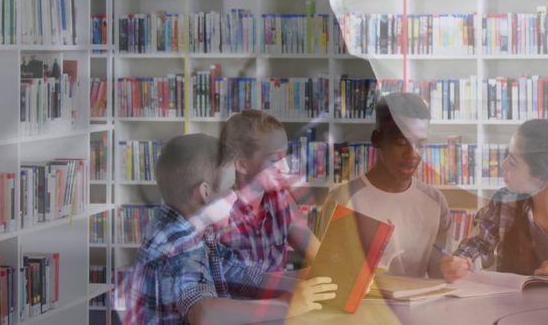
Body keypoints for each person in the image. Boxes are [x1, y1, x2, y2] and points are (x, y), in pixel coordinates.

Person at [123, 133, 336, 325]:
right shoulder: (178, 241)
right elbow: (203, 315)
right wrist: (286, 306)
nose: (235, 197)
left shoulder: (188, 227)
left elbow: (238, 273)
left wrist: (306, 279)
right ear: (205, 192)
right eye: (229, 188)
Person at [441, 119, 548, 282]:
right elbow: (478, 244)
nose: (503, 165)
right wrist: (461, 261)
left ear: (544, 175)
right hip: (516, 309)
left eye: (513, 161)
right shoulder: (505, 200)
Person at [315, 91, 452, 278]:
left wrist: (453, 268)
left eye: (420, 144)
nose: (412, 154)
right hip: (360, 306)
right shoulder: (343, 199)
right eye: (401, 142)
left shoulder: (435, 202)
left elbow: (441, 277)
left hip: (418, 305)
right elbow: (326, 275)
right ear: (377, 139)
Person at [218, 110, 319, 271]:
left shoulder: (281, 199)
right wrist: (297, 280)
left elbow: (318, 254)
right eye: (274, 159)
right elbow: (242, 284)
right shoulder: (223, 215)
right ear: (242, 165)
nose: (285, 168)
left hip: (283, 292)